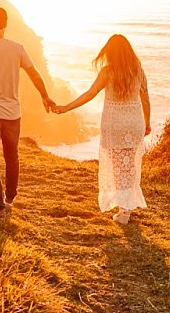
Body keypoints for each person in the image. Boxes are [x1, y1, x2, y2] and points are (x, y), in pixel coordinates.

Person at [53, 34, 150, 224]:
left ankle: (123, 211)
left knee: (116, 166)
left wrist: (66, 108)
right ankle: (126, 208)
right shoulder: (138, 70)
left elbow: (90, 93)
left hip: (114, 124)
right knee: (130, 165)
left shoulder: (107, 72)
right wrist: (147, 122)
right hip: (134, 121)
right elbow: (145, 99)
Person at [0, 6, 56, 215]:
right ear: (5, 24)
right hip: (11, 114)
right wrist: (45, 96)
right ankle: (10, 198)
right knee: (11, 156)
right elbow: (35, 75)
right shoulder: (17, 49)